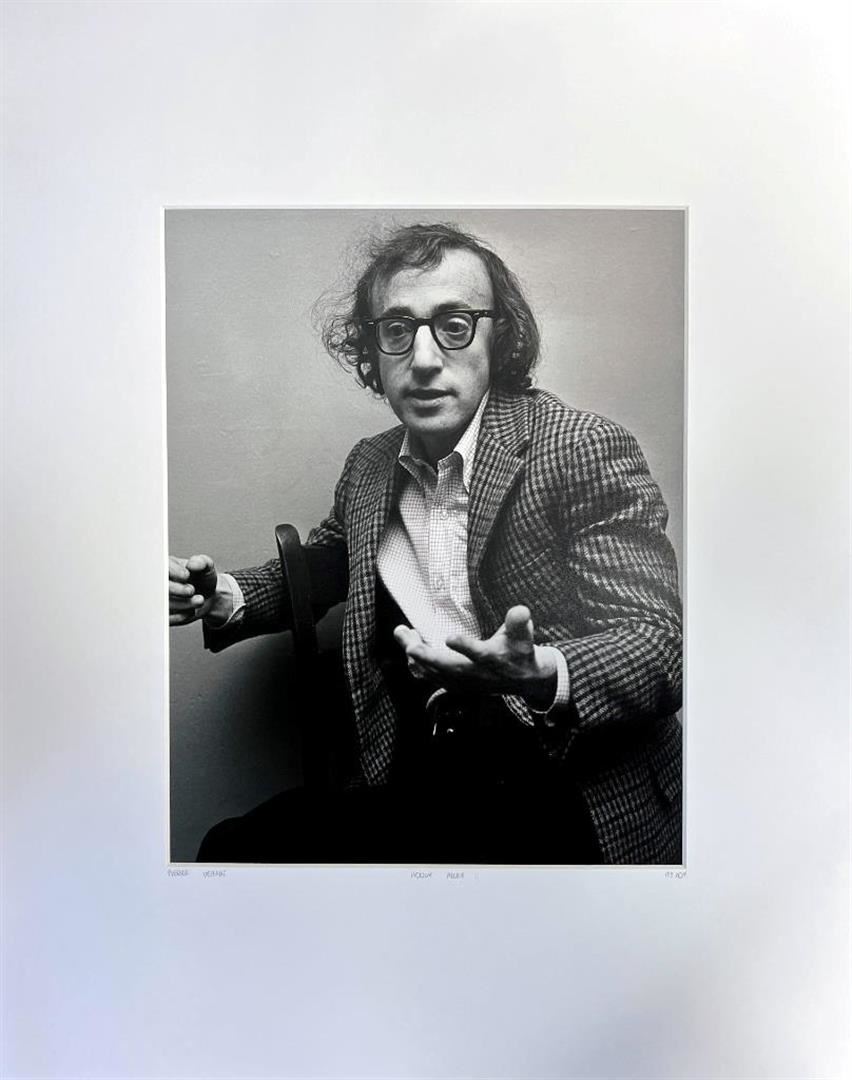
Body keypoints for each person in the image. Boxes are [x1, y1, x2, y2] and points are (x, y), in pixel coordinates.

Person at [169, 222, 683, 865]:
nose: (423, 359)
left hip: (565, 783)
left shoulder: (580, 447)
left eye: (454, 325)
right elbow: (329, 561)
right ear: (373, 350)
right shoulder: (370, 465)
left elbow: (660, 645)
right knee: (232, 848)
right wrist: (223, 595)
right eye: (397, 329)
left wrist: (539, 673)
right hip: (429, 768)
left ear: (500, 337)